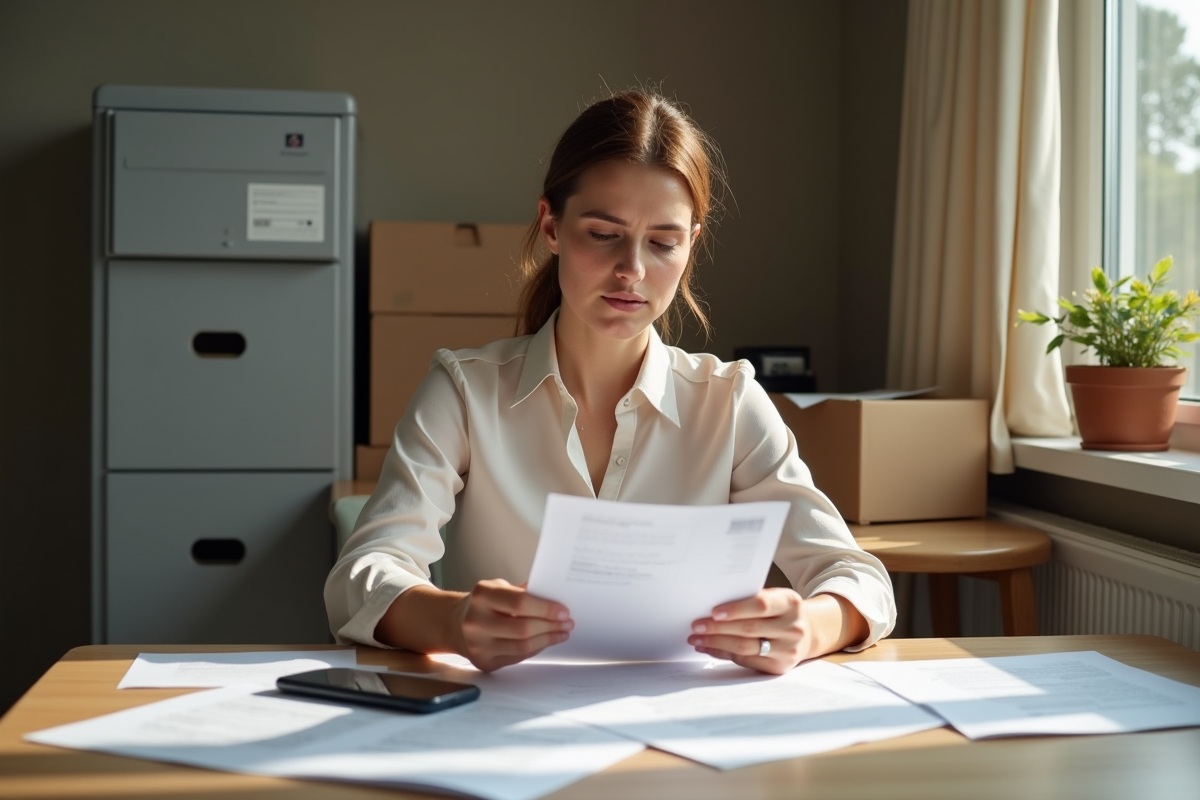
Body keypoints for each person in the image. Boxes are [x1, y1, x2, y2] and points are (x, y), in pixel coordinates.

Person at [325, 89, 895, 675]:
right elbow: (360, 575)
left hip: (679, 735)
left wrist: (811, 625)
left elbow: (855, 577)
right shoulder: (465, 391)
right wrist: (451, 621)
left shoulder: (728, 401)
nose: (633, 270)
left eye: (663, 243)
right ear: (550, 225)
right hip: (502, 728)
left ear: (691, 244)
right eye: (603, 234)